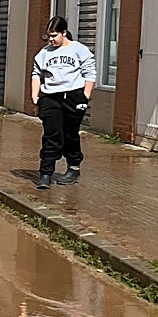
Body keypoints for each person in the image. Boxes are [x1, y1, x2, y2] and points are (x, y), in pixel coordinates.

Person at [31, 16, 95, 189]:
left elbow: (90, 73)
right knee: (51, 134)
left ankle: (73, 167)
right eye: (49, 36)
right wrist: (35, 95)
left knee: (70, 134)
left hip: (73, 96)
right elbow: (36, 74)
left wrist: (85, 96)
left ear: (64, 33)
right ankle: (46, 173)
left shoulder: (78, 50)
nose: (51, 39)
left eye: (54, 35)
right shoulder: (44, 53)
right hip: (50, 97)